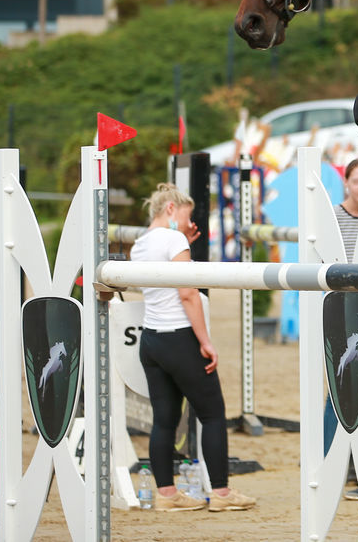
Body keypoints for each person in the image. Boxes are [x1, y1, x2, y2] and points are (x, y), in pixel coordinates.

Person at [133, 183, 256, 513]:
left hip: (152, 339)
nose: (189, 224)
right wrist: (205, 341)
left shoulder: (140, 244)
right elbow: (187, 293)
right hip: (180, 337)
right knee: (213, 414)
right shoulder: (173, 239)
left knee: (163, 420)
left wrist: (185, 242)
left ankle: (167, 495)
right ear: (171, 209)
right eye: (187, 216)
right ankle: (222, 494)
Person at [326, 158, 358, 500]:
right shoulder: (333, 216)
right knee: (333, 386)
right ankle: (332, 459)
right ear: (347, 183)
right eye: (357, 181)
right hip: (336, 309)